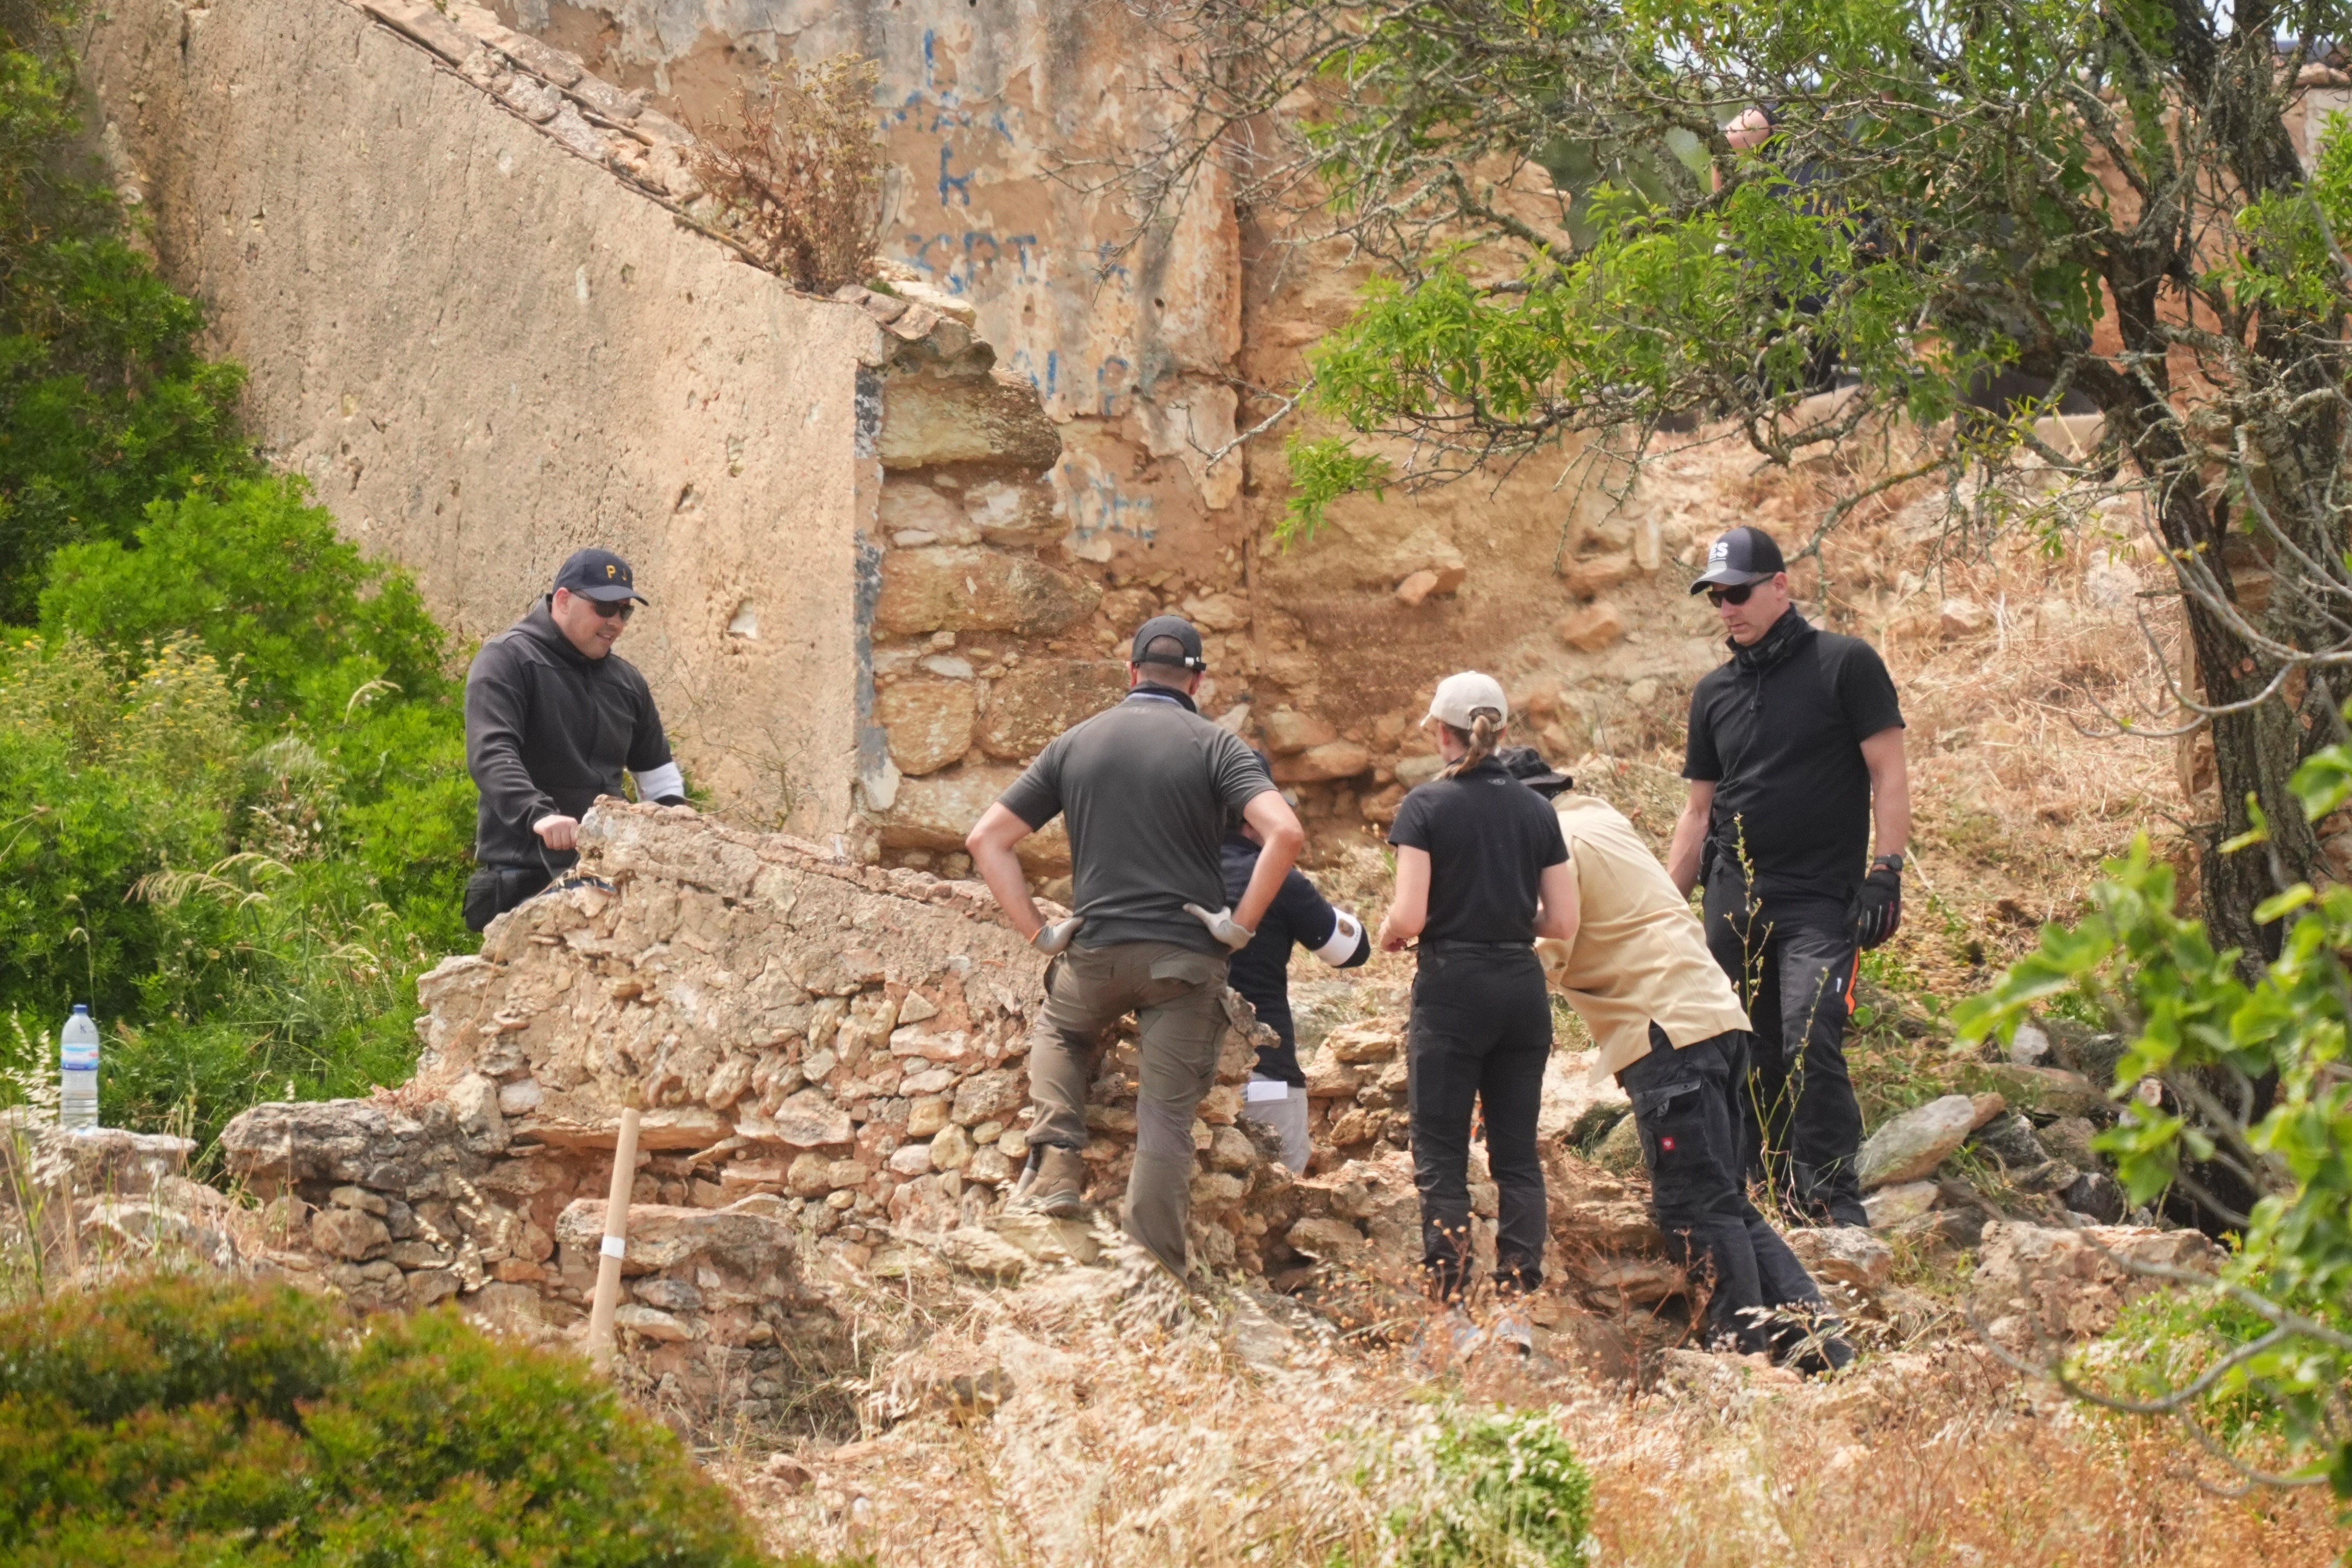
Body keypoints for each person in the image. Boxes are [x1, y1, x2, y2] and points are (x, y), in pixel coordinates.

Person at [965, 616, 1306, 1279]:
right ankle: (1154, 1272)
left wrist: (1039, 930)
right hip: (1183, 960)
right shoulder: (1217, 746)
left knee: (1062, 1030)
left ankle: (1058, 1168)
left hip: (1094, 951)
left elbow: (987, 839)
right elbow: (1284, 834)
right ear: (1198, 681)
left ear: (1131, 673)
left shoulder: (1076, 743)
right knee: (1166, 1118)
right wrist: (1237, 925)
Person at [1536, 763, 1854, 1370]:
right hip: (1714, 1019)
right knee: (1727, 1201)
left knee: (1695, 1208)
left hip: (1665, 1036)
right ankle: (1821, 1351)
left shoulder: (1554, 844)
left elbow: (1544, 948)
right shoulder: (1603, 821)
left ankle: (1738, 1361)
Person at [1668, 525, 1909, 1228]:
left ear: (1781, 585)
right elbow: (1697, 813)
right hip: (1734, 898)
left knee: (1811, 1036)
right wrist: (1659, 908)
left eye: (1737, 592)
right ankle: (1755, 1195)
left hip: (1820, 900)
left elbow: (1888, 771)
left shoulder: (1846, 664)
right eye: (1716, 596)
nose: (1726, 608)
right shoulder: (1712, 692)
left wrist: (1886, 871)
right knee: (1745, 1046)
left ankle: (1832, 1198)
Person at [1378, 672, 1578, 1302]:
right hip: (1521, 987)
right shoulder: (1537, 807)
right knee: (1517, 1157)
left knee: (1442, 1155)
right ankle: (1518, 1304)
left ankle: (1452, 1304)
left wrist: (1390, 932)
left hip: (1453, 986)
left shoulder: (1426, 806)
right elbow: (1563, 921)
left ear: (1442, 731)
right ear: (1504, 732)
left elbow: (1408, 917)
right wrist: (1508, 918)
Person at [463, 548, 686, 931]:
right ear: (563, 600)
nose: (615, 622)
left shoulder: (627, 683)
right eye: (604, 608)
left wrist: (678, 828)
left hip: (608, 883)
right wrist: (540, 814)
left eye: (625, 611)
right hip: (524, 880)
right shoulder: (507, 660)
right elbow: (491, 753)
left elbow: (658, 775)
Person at [1221, 788, 1372, 1172]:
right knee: (1281, 1196)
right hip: (1264, 1074)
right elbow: (1351, 951)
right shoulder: (1276, 877)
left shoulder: (1168, 874)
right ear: (1255, 818)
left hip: (1176, 1070)